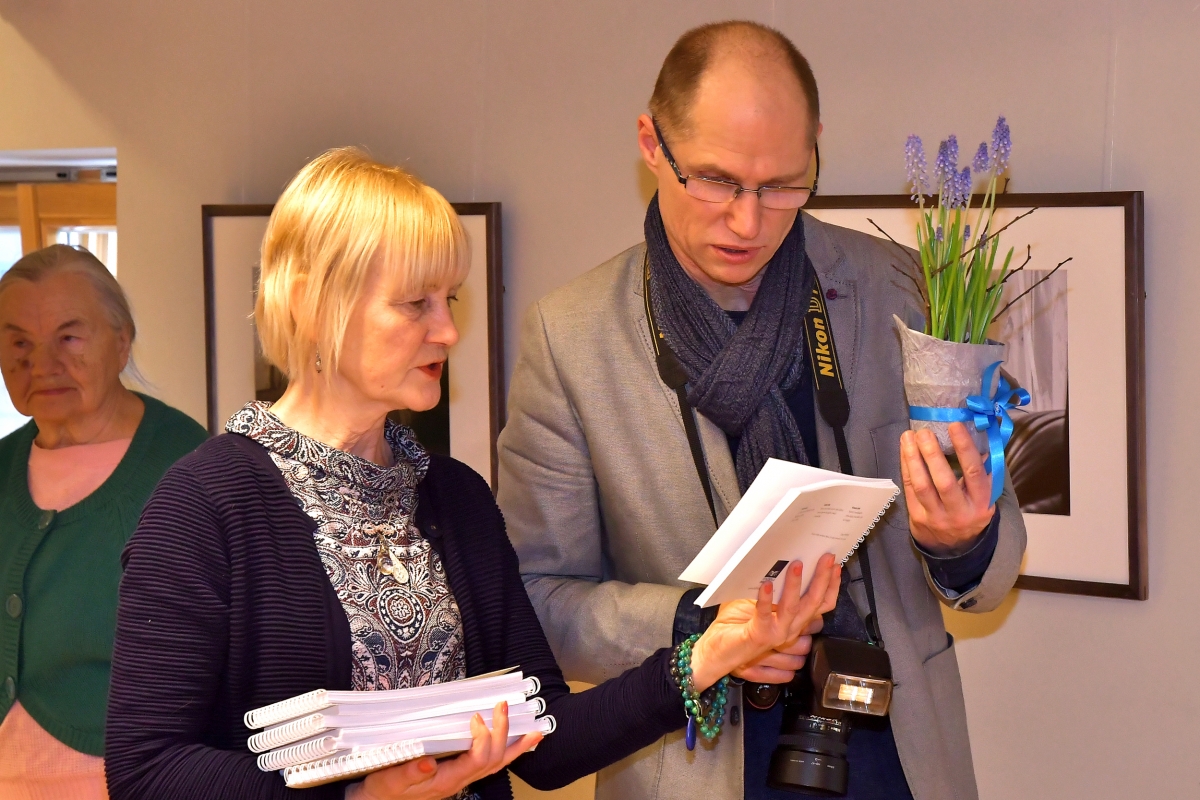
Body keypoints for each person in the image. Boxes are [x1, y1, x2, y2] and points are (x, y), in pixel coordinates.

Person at [104, 147, 841, 800]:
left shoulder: (454, 496)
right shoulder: (204, 505)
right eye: (414, 304)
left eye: (449, 300)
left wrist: (707, 656)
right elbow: (146, 771)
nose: (449, 331)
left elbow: (545, 741)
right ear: (314, 304)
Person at [497, 21, 1027, 800]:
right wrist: (700, 627)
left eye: (782, 185)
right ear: (651, 144)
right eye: (715, 181)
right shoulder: (571, 337)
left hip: (897, 755)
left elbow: (996, 556)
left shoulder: (902, 290)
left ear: (815, 149)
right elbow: (539, 600)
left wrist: (963, 541)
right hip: (690, 765)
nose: (748, 222)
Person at [0, 245, 207, 799]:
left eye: (68, 337)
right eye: (18, 343)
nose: (42, 363)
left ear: (121, 341)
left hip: (131, 785)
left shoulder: (190, 466)